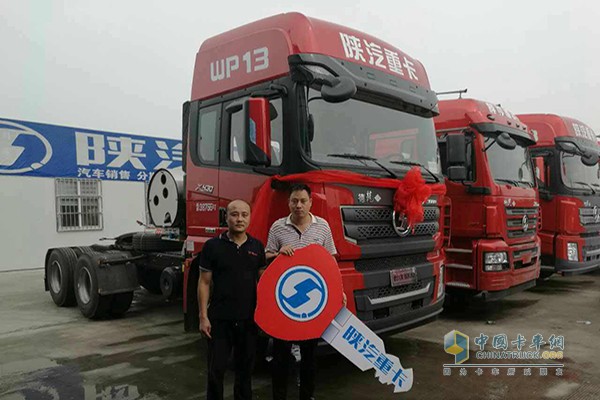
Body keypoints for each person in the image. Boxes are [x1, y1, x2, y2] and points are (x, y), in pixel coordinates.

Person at [265, 184, 344, 400]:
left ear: (311, 203)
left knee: (309, 355)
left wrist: (339, 291)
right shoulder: (278, 227)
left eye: (302, 201)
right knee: (281, 355)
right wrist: (277, 254)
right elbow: (266, 257)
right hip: (284, 303)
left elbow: (331, 261)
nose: (298, 205)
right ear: (288, 203)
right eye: (294, 201)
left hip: (312, 304)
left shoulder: (322, 227)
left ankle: (307, 396)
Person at [198, 199, 266, 400]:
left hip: (249, 320)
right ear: (225, 217)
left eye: (244, 215)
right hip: (219, 319)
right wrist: (203, 316)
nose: (239, 219)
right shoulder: (212, 246)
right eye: (234, 214)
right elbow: (204, 282)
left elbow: (264, 282)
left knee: (245, 373)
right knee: (216, 371)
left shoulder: (257, 246)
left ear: (250, 218)